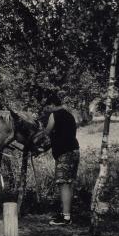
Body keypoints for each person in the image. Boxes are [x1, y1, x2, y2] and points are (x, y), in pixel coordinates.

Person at [42, 93, 80, 226]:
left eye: (48, 107)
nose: (47, 110)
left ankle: (66, 218)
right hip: (74, 150)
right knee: (69, 183)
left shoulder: (55, 115)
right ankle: (66, 214)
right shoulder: (69, 115)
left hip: (64, 153)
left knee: (63, 183)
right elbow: (62, 135)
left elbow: (46, 134)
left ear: (52, 105)